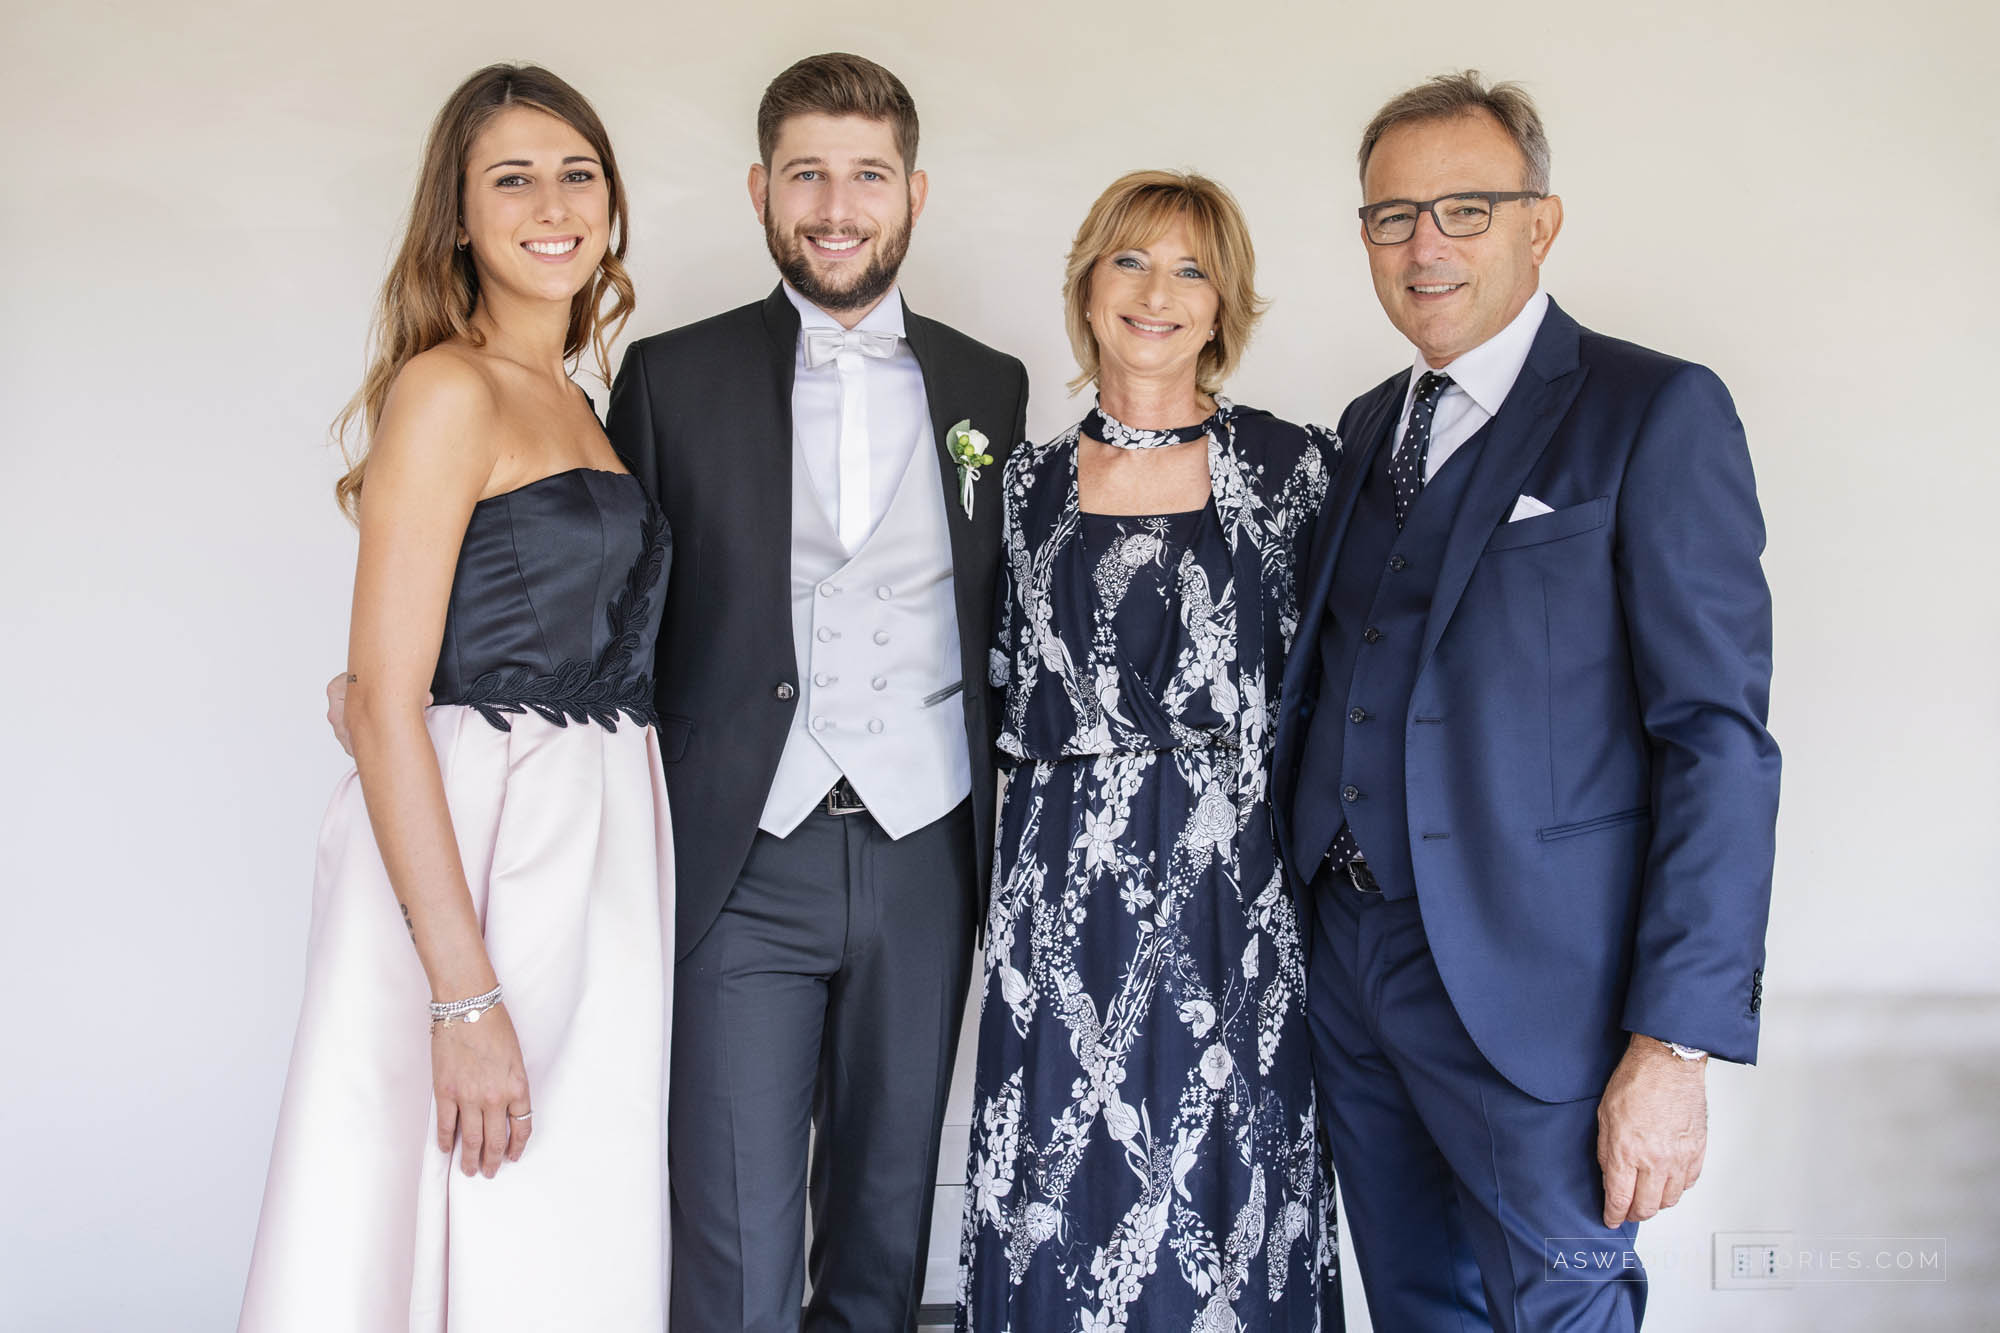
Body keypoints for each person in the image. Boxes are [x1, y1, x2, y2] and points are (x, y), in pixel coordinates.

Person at [1273, 72, 1780, 1331]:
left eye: (1464, 208)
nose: (1424, 245)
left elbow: (1715, 741)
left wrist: (1672, 1046)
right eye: (1392, 217)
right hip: (1344, 957)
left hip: (1539, 990)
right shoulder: (1358, 428)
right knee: (1412, 1304)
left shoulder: (1651, 410)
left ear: (1539, 223)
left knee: (1558, 1308)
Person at [242, 65, 674, 1331]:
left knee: (552, 1223)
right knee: (465, 1186)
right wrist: (463, 993)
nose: (552, 202)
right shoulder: (449, 387)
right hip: (481, 856)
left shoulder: (582, 406)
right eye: (512, 178)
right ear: (459, 221)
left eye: (577, 172)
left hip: (590, 851)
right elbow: (383, 700)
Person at [605, 54, 1029, 1333]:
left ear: (912, 193)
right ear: (759, 190)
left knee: (887, 1220)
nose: (835, 206)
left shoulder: (989, 387)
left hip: (925, 848)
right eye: (806, 175)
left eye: (864, 175)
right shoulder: (669, 378)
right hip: (742, 847)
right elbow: (611, 615)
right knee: (731, 1236)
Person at [960, 170, 1343, 1332]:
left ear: (1225, 306)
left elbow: (1347, 682)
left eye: (1190, 269)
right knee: (1056, 1193)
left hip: (1235, 880)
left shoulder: (1296, 470)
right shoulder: (1010, 485)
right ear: (1085, 285)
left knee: (1231, 1183)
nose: (1156, 293)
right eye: (1129, 260)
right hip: (1055, 889)